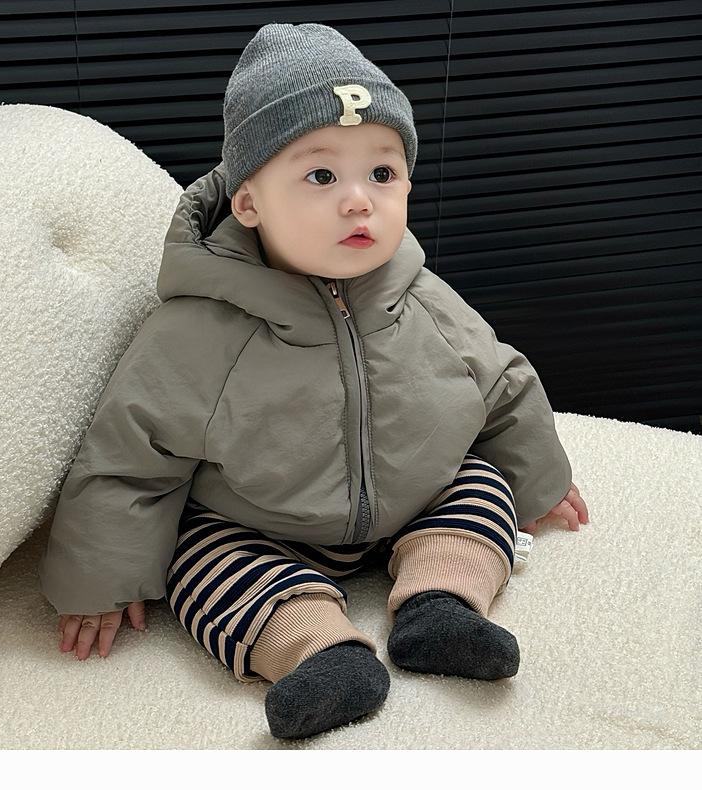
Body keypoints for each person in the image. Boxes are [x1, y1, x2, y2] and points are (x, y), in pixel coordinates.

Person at [39, 22, 589, 740]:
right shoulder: (199, 328)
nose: (359, 201)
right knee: (197, 559)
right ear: (249, 204)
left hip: (415, 497)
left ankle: (442, 604)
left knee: (481, 485)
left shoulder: (421, 298)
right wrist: (97, 580)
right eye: (321, 176)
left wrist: (540, 477)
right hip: (257, 524)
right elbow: (129, 452)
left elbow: (501, 382)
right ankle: (317, 652)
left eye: (381, 175)